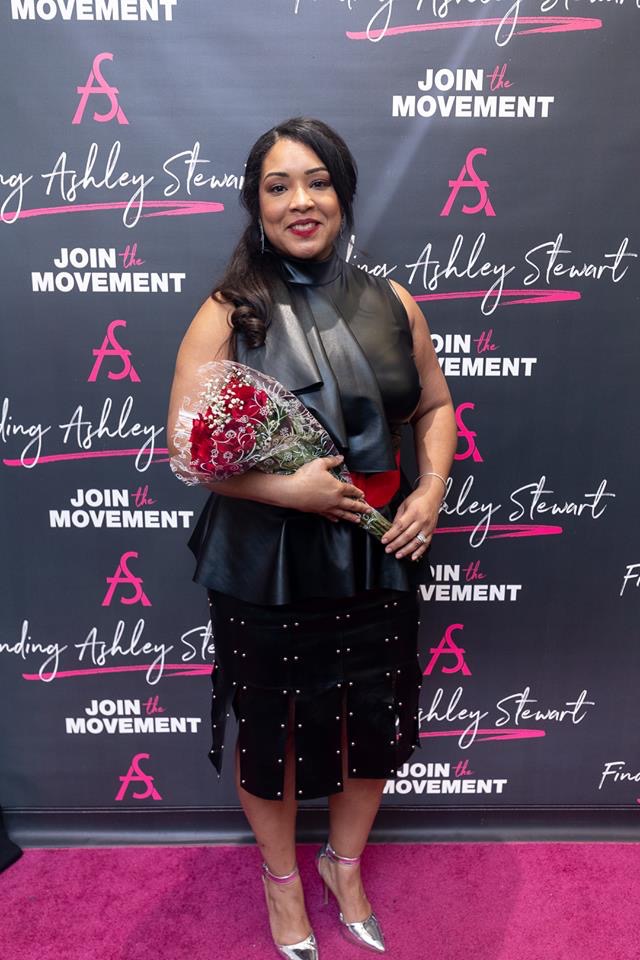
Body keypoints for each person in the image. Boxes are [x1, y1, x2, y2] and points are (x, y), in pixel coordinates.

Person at [167, 117, 456, 960]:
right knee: (275, 731)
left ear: (342, 193)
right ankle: (281, 882)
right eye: (279, 186)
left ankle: (344, 866)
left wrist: (431, 487)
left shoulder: (394, 303)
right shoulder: (229, 312)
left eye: (318, 181)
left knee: (373, 722)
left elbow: (435, 406)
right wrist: (284, 487)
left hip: (376, 549)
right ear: (256, 205)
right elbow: (185, 451)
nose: (301, 200)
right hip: (267, 561)